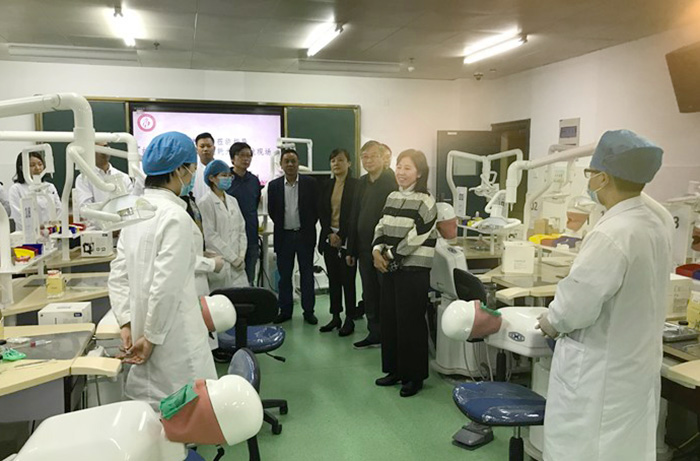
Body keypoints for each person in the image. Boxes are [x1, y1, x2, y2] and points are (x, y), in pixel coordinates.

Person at [536, 130, 672, 461]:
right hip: (633, 370)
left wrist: (551, 320)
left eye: (590, 173)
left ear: (603, 177)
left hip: (598, 375)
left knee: (585, 450)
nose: (589, 180)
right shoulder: (656, 224)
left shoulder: (613, 232)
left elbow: (576, 305)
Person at [108, 131, 217, 407]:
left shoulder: (135, 212)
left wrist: (126, 322)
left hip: (140, 330)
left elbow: (118, 275)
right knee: (183, 411)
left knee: (152, 414)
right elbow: (166, 286)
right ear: (179, 170)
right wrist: (151, 337)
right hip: (173, 338)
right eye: (192, 168)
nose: (192, 175)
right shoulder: (175, 217)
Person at [372, 149, 437, 397]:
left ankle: (414, 376)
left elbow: (417, 235)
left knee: (411, 323)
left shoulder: (426, 201)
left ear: (419, 173)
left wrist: (388, 255)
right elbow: (381, 225)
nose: (401, 172)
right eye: (399, 166)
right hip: (390, 269)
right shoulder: (392, 196)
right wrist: (376, 250)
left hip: (413, 270)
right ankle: (395, 370)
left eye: (407, 168)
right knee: (390, 320)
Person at [346, 140, 398, 348]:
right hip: (363, 248)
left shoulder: (392, 182)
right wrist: (351, 249)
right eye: (364, 157)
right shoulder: (361, 182)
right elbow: (354, 215)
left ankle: (389, 335)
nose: (368, 160)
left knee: (386, 293)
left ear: (383, 158)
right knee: (369, 292)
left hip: (384, 250)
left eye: (373, 156)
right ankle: (374, 332)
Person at [267, 148, 319, 324]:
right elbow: (273, 211)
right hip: (284, 237)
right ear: (281, 165)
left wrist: (306, 226)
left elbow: (315, 210)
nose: (290, 164)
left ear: (298, 164)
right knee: (284, 277)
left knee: (307, 275)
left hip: (304, 236)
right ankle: (285, 311)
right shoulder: (274, 186)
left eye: (293, 161)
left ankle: (309, 311)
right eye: (286, 161)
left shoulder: (310, 184)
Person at [317, 148, 358, 336]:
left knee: (348, 281)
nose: (336, 164)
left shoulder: (356, 186)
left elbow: (354, 214)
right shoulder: (326, 185)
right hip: (329, 239)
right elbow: (322, 212)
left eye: (340, 160)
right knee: (333, 280)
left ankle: (350, 319)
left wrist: (341, 235)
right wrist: (328, 233)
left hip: (348, 239)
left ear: (349, 163)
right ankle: (335, 316)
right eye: (333, 160)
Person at [199, 159, 249, 290]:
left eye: (229, 176)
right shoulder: (205, 202)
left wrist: (241, 256)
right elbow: (210, 236)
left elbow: (241, 229)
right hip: (221, 262)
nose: (227, 178)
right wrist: (233, 258)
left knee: (242, 297)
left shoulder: (233, 201)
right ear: (211, 178)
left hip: (238, 265)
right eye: (223, 175)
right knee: (221, 299)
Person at [227, 142, 262, 285]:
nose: (246, 159)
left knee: (249, 279)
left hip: (251, 236)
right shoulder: (225, 179)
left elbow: (255, 204)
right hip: (230, 238)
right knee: (230, 280)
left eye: (249, 156)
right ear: (232, 158)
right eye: (242, 155)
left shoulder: (254, 180)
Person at [8, 151, 62, 231]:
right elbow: (19, 217)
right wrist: (36, 230)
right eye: (32, 165)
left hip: (51, 234)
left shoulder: (50, 187)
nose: (37, 168)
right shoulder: (16, 189)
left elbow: (59, 210)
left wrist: (54, 228)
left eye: (40, 164)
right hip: (27, 235)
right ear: (22, 168)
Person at [74, 143, 133, 210]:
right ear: (91, 152)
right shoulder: (83, 179)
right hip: (97, 216)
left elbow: (132, 203)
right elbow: (86, 208)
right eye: (99, 148)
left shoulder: (123, 177)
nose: (104, 151)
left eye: (105, 146)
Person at [193, 132, 217, 201]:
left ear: (214, 148)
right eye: (202, 146)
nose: (205, 149)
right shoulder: (192, 171)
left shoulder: (222, 169)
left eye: (209, 146)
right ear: (196, 149)